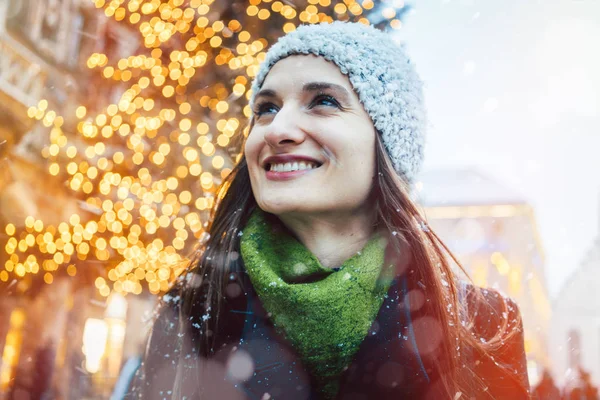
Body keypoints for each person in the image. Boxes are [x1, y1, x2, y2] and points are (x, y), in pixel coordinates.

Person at [128, 21, 530, 399]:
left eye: (323, 101)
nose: (277, 129)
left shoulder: (484, 326)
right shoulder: (194, 309)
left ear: (386, 144)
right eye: (266, 108)